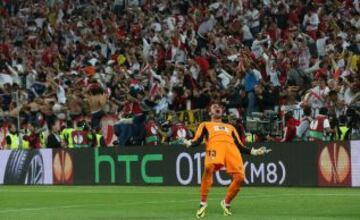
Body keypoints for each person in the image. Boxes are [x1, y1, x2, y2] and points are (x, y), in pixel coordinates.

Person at [183, 103, 270, 218]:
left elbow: (239, 145)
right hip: (215, 147)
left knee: (240, 177)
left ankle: (226, 202)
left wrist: (254, 151)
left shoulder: (230, 127)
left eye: (219, 107)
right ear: (210, 112)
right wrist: (190, 143)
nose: (217, 108)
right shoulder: (205, 124)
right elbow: (198, 139)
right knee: (209, 168)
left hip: (231, 150)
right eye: (214, 107)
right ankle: (203, 203)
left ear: (222, 112)